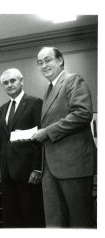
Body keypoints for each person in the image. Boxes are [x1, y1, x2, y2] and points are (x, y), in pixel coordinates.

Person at [32, 47, 97, 228]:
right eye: (40, 62)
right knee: (54, 224)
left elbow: (82, 114)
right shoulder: (48, 90)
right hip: (51, 168)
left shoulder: (73, 80)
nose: (44, 65)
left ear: (60, 60)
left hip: (73, 166)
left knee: (79, 223)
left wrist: (47, 132)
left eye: (48, 60)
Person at [0, 68, 45, 227]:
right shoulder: (1, 110)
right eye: (5, 83)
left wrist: (38, 168)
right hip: (6, 175)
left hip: (28, 174)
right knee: (11, 220)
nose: (9, 85)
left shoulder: (35, 103)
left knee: (32, 218)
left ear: (21, 81)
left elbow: (41, 139)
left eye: (13, 81)